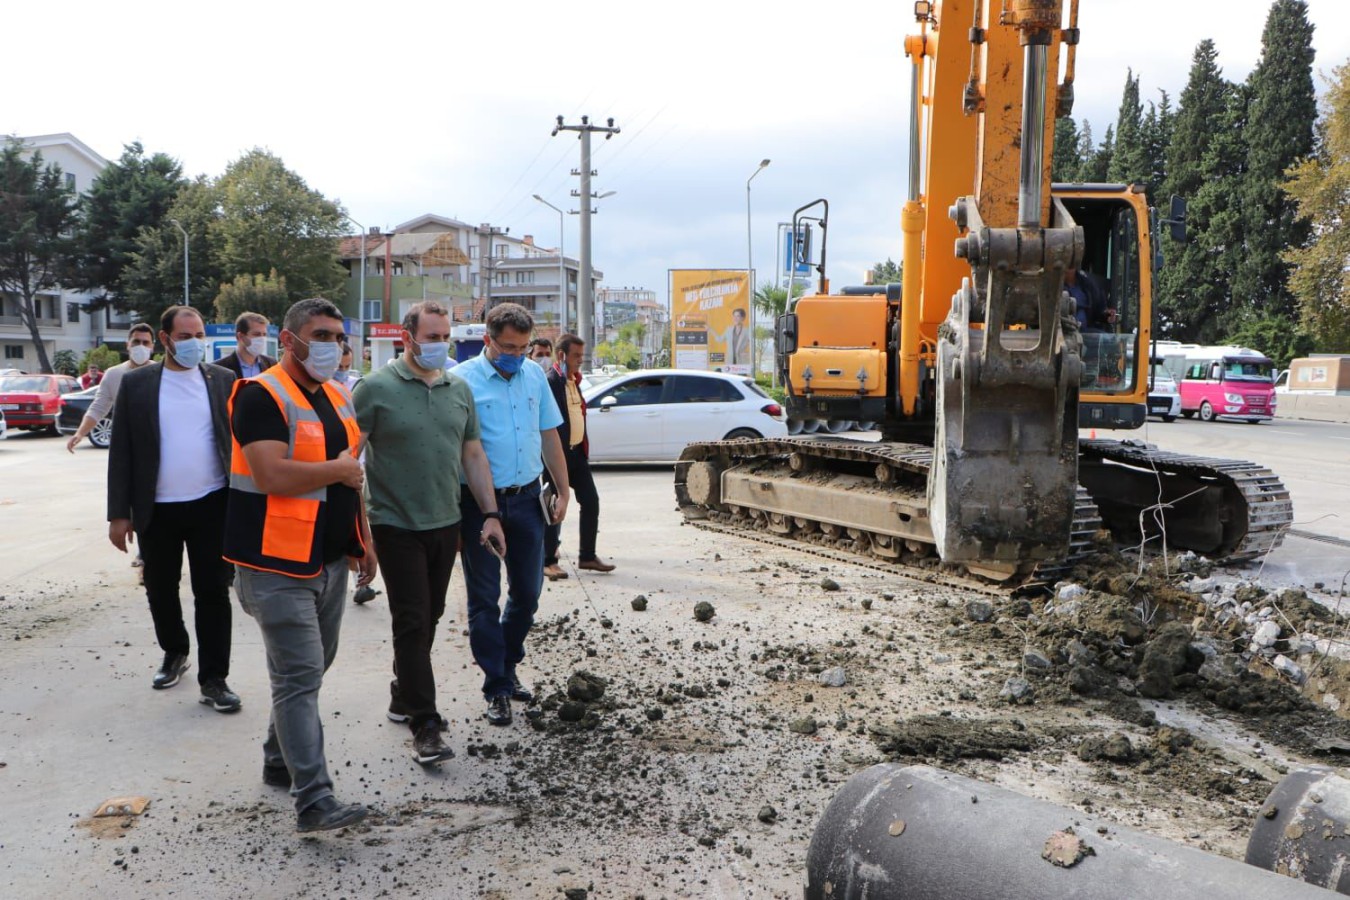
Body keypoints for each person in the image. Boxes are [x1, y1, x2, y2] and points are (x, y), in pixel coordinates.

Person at [224, 297, 374, 833]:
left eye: (338, 335)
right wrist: (335, 470)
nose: (332, 346)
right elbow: (270, 476)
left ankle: (276, 756)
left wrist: (363, 541)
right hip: (273, 564)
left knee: (309, 671)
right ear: (289, 341)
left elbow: (351, 478)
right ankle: (314, 800)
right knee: (300, 675)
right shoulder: (259, 396)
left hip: (329, 560)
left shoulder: (337, 396)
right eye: (321, 334)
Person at [353, 300, 505, 765]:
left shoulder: (459, 389)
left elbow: (473, 456)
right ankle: (426, 724)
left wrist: (491, 514)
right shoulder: (373, 390)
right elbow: (347, 462)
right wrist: (357, 534)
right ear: (407, 337)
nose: (440, 345)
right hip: (394, 524)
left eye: (446, 337)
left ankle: (404, 691)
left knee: (432, 615)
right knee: (412, 619)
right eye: (432, 337)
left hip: (447, 523)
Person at [106, 305, 240, 712]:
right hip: (157, 508)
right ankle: (175, 652)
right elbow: (122, 450)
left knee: (213, 591)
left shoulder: (223, 380)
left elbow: (237, 443)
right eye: (185, 337)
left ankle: (215, 678)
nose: (194, 343)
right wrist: (118, 513)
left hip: (213, 503)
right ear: (164, 340)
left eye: (198, 335)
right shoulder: (138, 384)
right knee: (160, 588)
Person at [454, 302, 570, 727]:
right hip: (478, 505)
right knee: (484, 600)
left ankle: (508, 663)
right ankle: (497, 686)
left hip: (526, 501)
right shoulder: (461, 382)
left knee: (527, 593)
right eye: (507, 347)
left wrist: (563, 487)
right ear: (487, 340)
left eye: (522, 348)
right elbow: (459, 451)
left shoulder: (534, 375)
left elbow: (549, 433)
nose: (515, 355)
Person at [543, 334, 614, 581]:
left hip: (576, 454)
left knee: (591, 501)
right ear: (561, 355)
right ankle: (548, 561)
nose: (580, 361)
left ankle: (587, 556)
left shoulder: (574, 381)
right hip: (556, 456)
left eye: (581, 356)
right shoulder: (552, 381)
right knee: (553, 507)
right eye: (576, 356)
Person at [67, 323, 155, 453]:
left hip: (155, 442)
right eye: (136, 342)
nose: (140, 346)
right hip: (125, 444)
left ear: (152, 347)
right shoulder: (114, 374)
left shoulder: (162, 374)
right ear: (128, 345)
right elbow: (98, 407)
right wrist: (80, 433)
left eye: (145, 342)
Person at [215, 312, 277, 379]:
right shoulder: (219, 368)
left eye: (264, 334)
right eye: (256, 334)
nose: (262, 339)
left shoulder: (271, 364)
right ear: (240, 336)